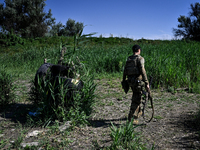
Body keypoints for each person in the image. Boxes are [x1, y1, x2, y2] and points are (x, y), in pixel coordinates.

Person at [122, 44, 150, 125]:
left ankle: (138, 112)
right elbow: (143, 71)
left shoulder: (129, 59)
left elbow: (125, 71)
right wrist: (147, 83)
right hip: (138, 82)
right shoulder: (140, 59)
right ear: (139, 50)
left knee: (137, 97)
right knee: (136, 100)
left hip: (131, 82)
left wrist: (124, 80)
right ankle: (132, 118)